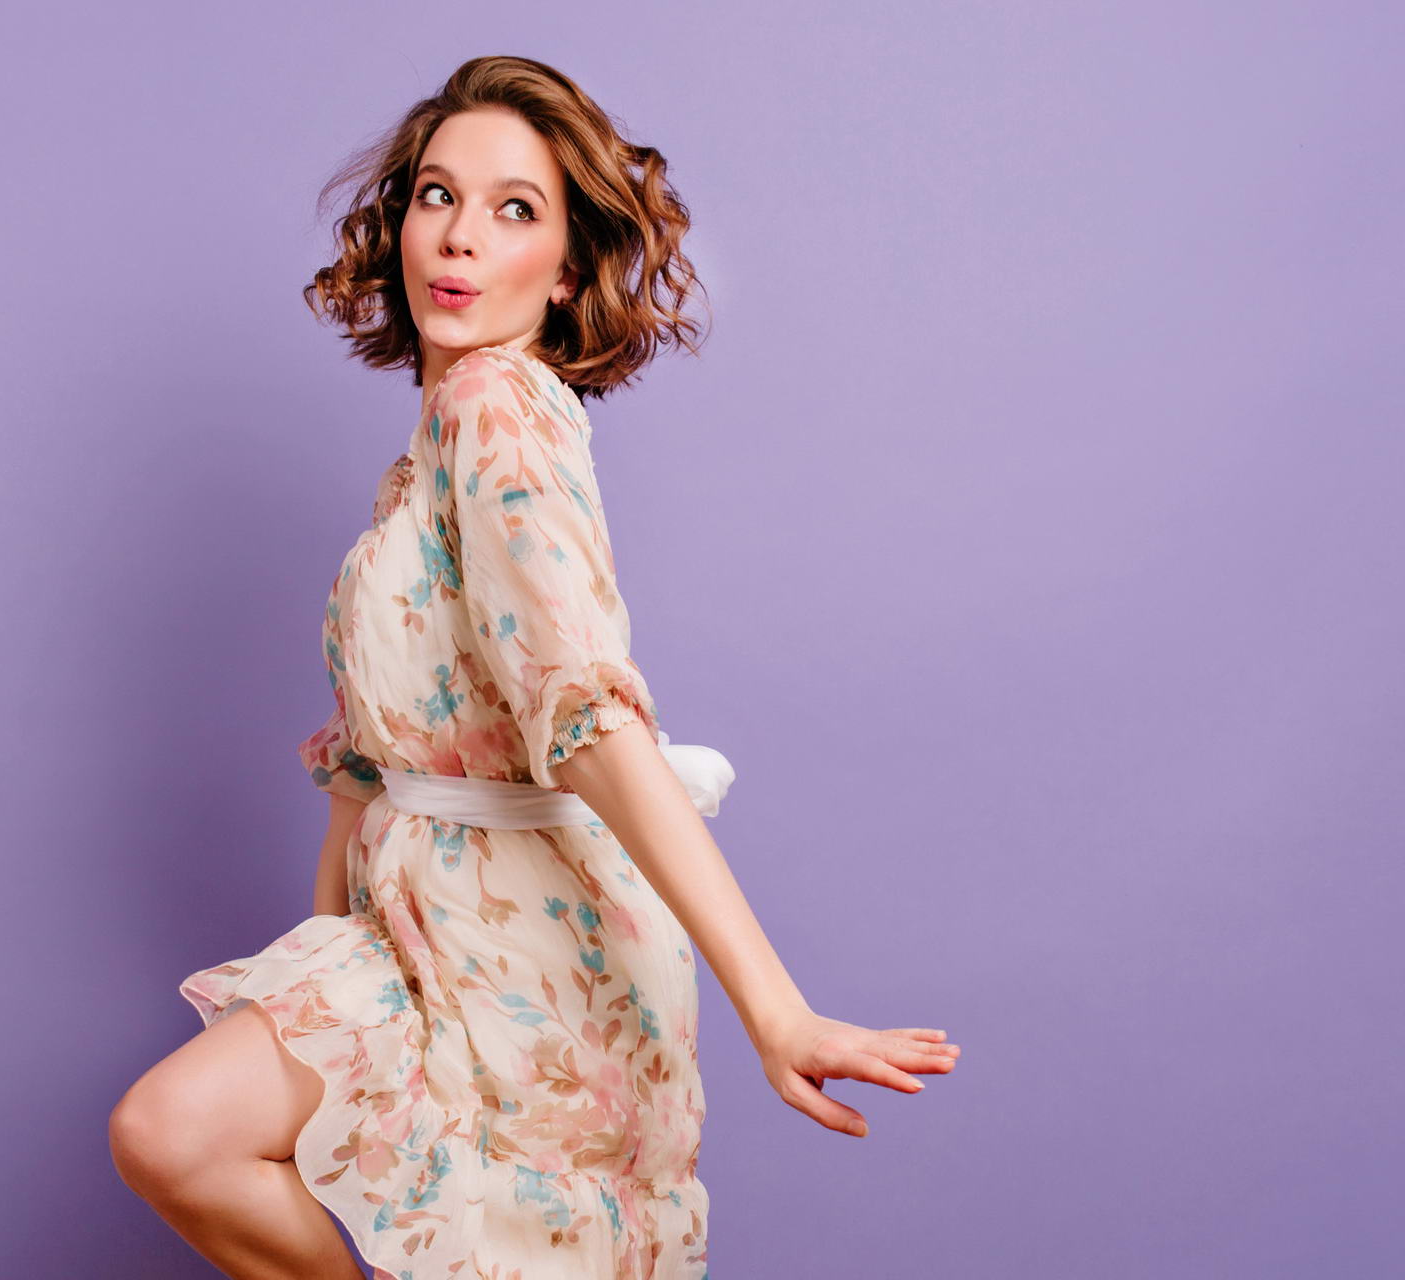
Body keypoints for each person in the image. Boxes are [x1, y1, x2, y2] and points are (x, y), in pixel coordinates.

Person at [108, 55, 961, 1279]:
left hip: (535, 959)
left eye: (515, 209)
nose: (460, 236)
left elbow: (591, 717)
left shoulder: (496, 407)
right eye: (438, 196)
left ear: (565, 269)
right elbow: (365, 772)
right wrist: (321, 979)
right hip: (421, 943)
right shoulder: (424, 459)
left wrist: (774, 1007)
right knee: (180, 1134)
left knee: (185, 1136)